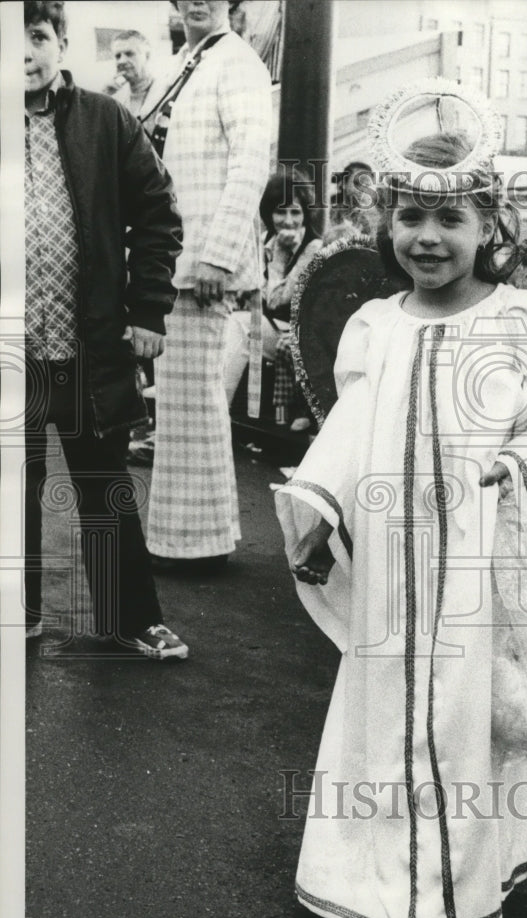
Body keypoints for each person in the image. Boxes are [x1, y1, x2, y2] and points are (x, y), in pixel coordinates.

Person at [274, 133, 527, 918]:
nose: (427, 236)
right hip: (395, 564)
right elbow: (350, 431)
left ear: (489, 224)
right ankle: (370, 872)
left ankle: (462, 883)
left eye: (450, 217)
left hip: (480, 567)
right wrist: (317, 507)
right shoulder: (375, 327)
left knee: (468, 719)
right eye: (410, 215)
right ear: (386, 222)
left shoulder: (519, 319)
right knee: (385, 713)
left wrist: (516, 479)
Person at [23, 1, 188, 659]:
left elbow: (157, 214)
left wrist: (148, 309)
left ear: (60, 42)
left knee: (104, 485)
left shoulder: (106, 119)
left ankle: (129, 619)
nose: (22, 54)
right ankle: (20, 611)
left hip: (88, 341)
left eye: (35, 37)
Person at [145, 0, 271, 572]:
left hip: (202, 262)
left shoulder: (237, 62)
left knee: (193, 403)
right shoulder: (182, 63)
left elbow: (250, 162)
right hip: (171, 256)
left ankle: (196, 545)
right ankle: (190, 537)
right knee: (180, 404)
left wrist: (219, 256)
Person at [262, 169, 324, 431]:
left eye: (295, 212)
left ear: (306, 215)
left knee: (242, 327)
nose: (288, 221)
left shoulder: (313, 247)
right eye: (280, 212)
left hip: (298, 332)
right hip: (268, 325)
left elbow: (276, 300)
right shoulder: (264, 241)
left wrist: (278, 258)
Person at [104, 29, 157, 121]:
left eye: (129, 54)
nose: (122, 61)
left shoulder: (166, 92)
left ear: (147, 56)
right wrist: (104, 97)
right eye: (118, 56)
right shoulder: (115, 99)